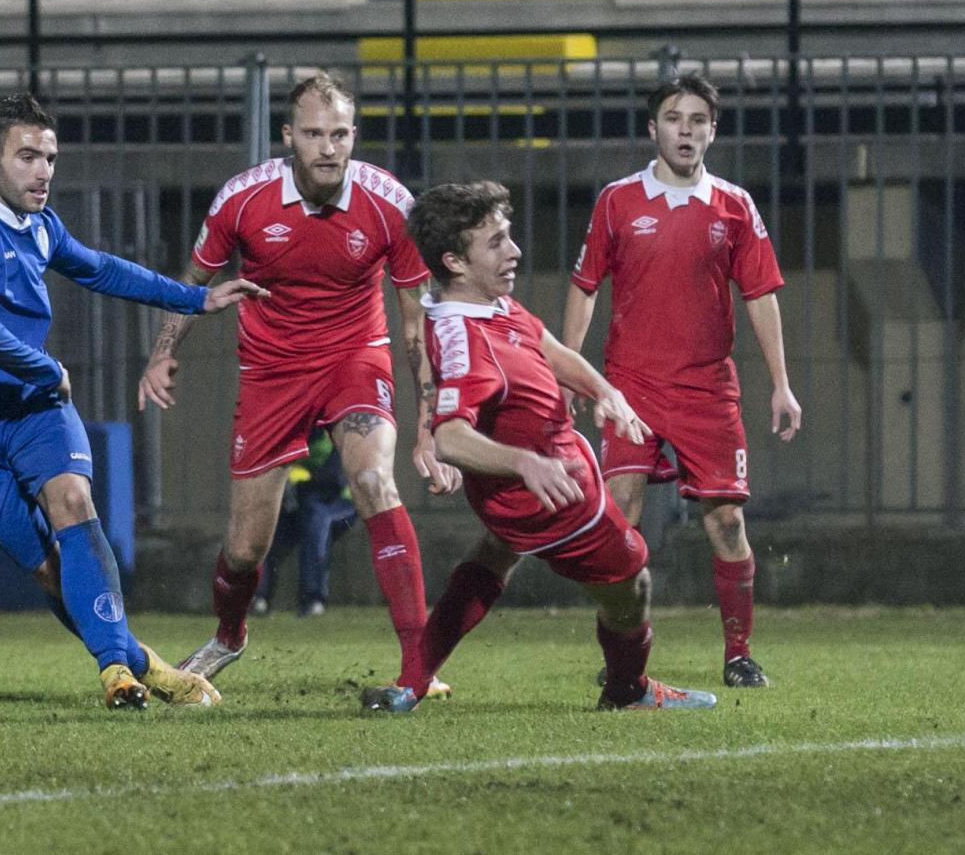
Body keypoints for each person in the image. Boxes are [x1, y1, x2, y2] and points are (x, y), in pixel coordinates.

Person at [0, 93, 267, 710]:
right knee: (49, 569)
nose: (43, 171)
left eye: (50, 158)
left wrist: (194, 299)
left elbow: (99, 268)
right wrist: (50, 367)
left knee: (72, 499)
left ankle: (115, 673)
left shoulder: (40, 225)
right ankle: (144, 664)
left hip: (30, 403)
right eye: (27, 157)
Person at [138, 72, 460, 692]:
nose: (328, 148)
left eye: (340, 134)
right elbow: (193, 284)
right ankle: (229, 635)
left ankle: (419, 664)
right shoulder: (243, 199)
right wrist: (162, 355)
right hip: (271, 370)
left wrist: (430, 423)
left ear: (354, 135)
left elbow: (416, 323)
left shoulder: (391, 204)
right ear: (288, 136)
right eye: (314, 134)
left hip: (355, 359)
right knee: (245, 550)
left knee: (374, 481)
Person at [361, 180, 717, 714]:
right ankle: (629, 690)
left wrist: (605, 391)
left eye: (508, 236)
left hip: (532, 483)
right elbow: (449, 437)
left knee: (494, 554)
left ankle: (410, 685)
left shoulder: (490, 305)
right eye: (496, 243)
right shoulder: (466, 341)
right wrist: (526, 463)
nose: (515, 251)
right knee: (632, 583)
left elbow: (548, 349)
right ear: (455, 262)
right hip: (553, 499)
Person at [561, 73, 802, 689]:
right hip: (631, 387)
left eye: (698, 120)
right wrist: (570, 372)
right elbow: (585, 287)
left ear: (712, 132)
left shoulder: (734, 205)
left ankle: (739, 653)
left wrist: (781, 383)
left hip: (707, 390)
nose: (685, 130)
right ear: (654, 129)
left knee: (727, 523)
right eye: (674, 118)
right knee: (619, 516)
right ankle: (623, 656)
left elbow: (760, 294)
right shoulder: (617, 200)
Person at [251, 428, 356, 618]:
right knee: (266, 529)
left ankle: (313, 599)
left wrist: (296, 485)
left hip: (339, 502)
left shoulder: (330, 434)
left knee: (317, 523)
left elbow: (334, 479)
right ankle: (258, 598)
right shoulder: (283, 435)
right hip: (299, 503)